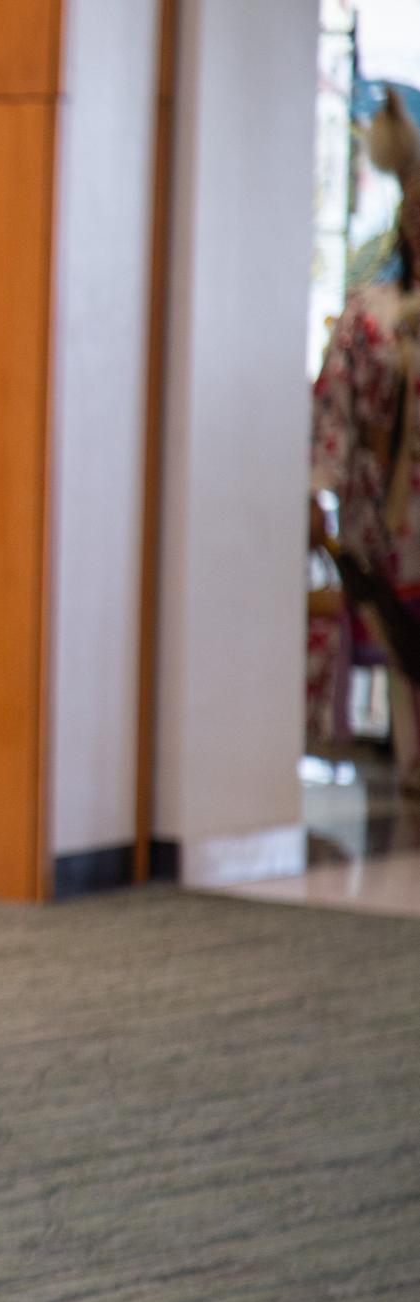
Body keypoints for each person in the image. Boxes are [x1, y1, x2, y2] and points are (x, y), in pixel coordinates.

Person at [310, 91, 420, 792]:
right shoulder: (369, 317)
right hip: (386, 512)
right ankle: (410, 768)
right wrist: (318, 497)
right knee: (403, 643)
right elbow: (334, 409)